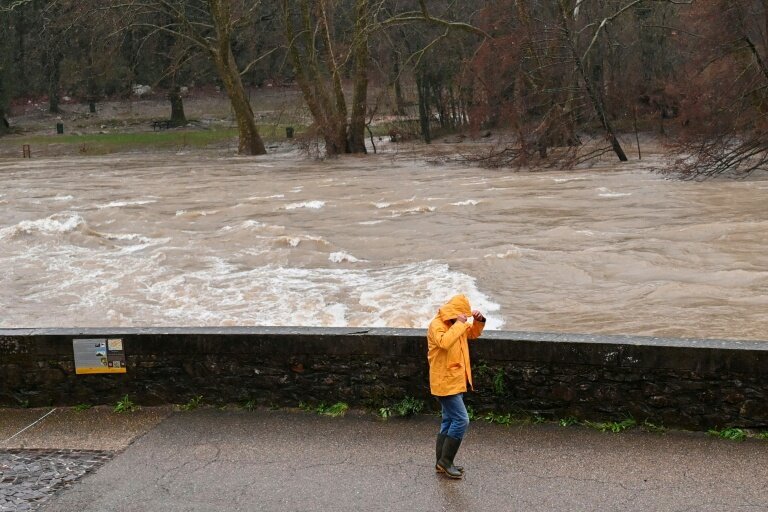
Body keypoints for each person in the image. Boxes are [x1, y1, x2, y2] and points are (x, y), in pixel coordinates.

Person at [427, 294, 486, 480]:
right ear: (454, 312)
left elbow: (473, 333)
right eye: (463, 315)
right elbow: (444, 343)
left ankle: (441, 463)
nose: (464, 319)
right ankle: (446, 462)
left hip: (456, 381)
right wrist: (460, 324)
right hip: (444, 383)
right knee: (461, 420)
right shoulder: (436, 325)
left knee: (448, 421)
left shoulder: (456, 324)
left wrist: (479, 321)